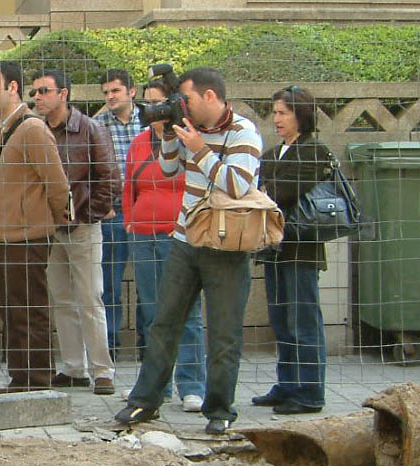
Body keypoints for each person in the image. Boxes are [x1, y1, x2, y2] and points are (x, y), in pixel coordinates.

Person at [115, 67, 263, 435]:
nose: (184, 107)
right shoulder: (188, 127)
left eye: (189, 100)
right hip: (184, 239)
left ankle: (220, 410)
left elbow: (236, 185)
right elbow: (168, 170)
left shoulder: (243, 132)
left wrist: (200, 150)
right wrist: (169, 135)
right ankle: (145, 402)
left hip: (225, 243)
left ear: (210, 96)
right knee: (164, 322)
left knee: (224, 332)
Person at [0, 60, 70, 394]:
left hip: (27, 237)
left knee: (29, 311)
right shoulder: (7, 128)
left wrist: (50, 221)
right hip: (6, 237)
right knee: (13, 311)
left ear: (12, 87)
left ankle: (37, 379)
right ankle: (22, 378)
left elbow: (57, 184)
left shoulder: (31, 129)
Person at [31, 69, 118, 395]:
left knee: (90, 298)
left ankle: (102, 371)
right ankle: (73, 367)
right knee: (62, 299)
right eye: (35, 92)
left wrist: (85, 215)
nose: (38, 97)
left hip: (82, 228)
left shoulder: (91, 129)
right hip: (50, 230)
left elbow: (110, 178)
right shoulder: (36, 130)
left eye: (44, 91)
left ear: (63, 93)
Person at [122, 78, 207, 412]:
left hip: (179, 234)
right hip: (143, 233)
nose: (154, 111)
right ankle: (157, 385)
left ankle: (191, 383)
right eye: (148, 104)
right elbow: (128, 185)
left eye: (159, 103)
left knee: (186, 311)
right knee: (152, 312)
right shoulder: (139, 143)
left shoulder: (188, 140)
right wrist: (130, 219)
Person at [254, 85, 333, 415]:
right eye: (274, 112)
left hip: (302, 246)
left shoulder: (314, 150)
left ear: (301, 114)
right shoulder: (273, 154)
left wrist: (266, 191)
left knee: (303, 319)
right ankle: (287, 384)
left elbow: (280, 193)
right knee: (281, 319)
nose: (277, 119)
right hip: (275, 247)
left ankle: (310, 390)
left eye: (283, 112)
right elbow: (263, 191)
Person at [93, 68, 145, 354]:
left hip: (145, 212)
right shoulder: (96, 125)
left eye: (115, 91)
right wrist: (102, 206)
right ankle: (109, 346)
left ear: (131, 91)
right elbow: (88, 171)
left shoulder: (150, 122)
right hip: (112, 213)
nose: (110, 97)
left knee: (148, 284)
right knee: (108, 284)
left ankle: (148, 345)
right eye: (106, 92)